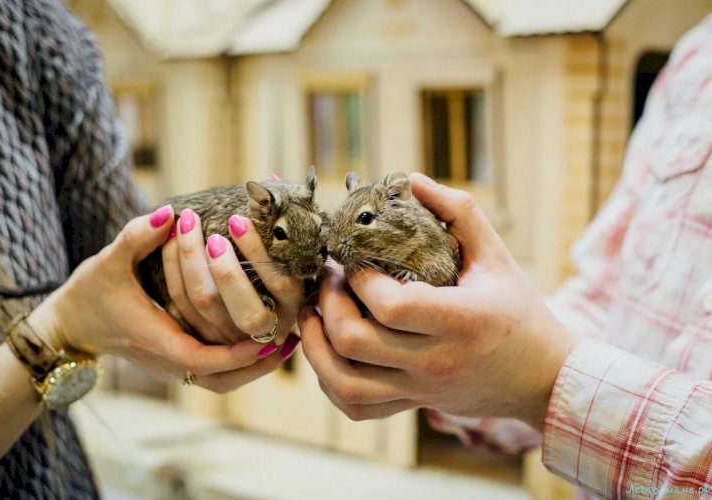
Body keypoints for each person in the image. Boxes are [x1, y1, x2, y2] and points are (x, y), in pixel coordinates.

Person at [298, 13, 712, 499]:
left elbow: (543, 360)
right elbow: (604, 298)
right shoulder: (695, 56)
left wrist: (541, 378)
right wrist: (447, 368)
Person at [0, 1, 301, 497]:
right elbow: (87, 306)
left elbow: (127, 261)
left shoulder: (17, 22)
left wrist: (206, 295)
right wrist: (59, 329)